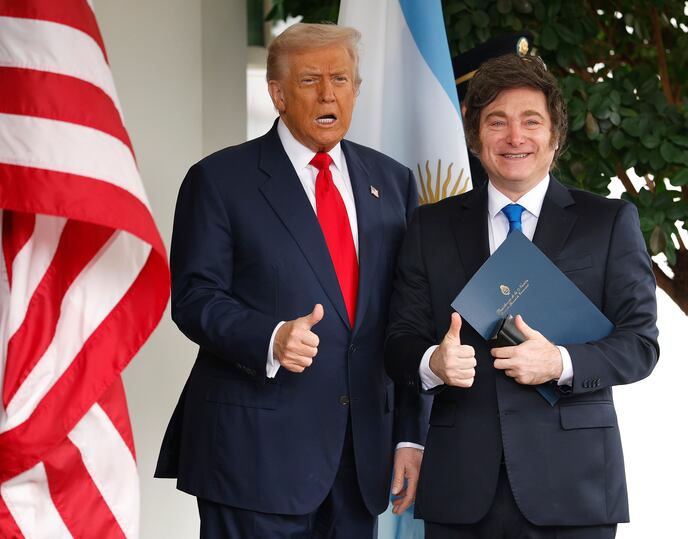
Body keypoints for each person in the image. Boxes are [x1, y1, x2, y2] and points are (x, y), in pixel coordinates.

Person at [155, 23, 425, 538]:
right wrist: (271, 338)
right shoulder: (219, 180)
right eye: (310, 80)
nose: (329, 94)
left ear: (357, 89)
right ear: (276, 93)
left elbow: (406, 317)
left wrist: (410, 435)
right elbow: (194, 297)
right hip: (253, 458)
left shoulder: (392, 182)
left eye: (341, 79)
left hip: (359, 457)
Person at [385, 52, 659, 538]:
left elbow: (640, 345)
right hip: (461, 489)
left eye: (531, 121)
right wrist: (433, 362)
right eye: (497, 122)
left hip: (574, 488)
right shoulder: (429, 226)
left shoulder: (609, 222)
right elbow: (398, 340)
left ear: (555, 137)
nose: (515, 137)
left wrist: (560, 363)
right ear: (476, 137)